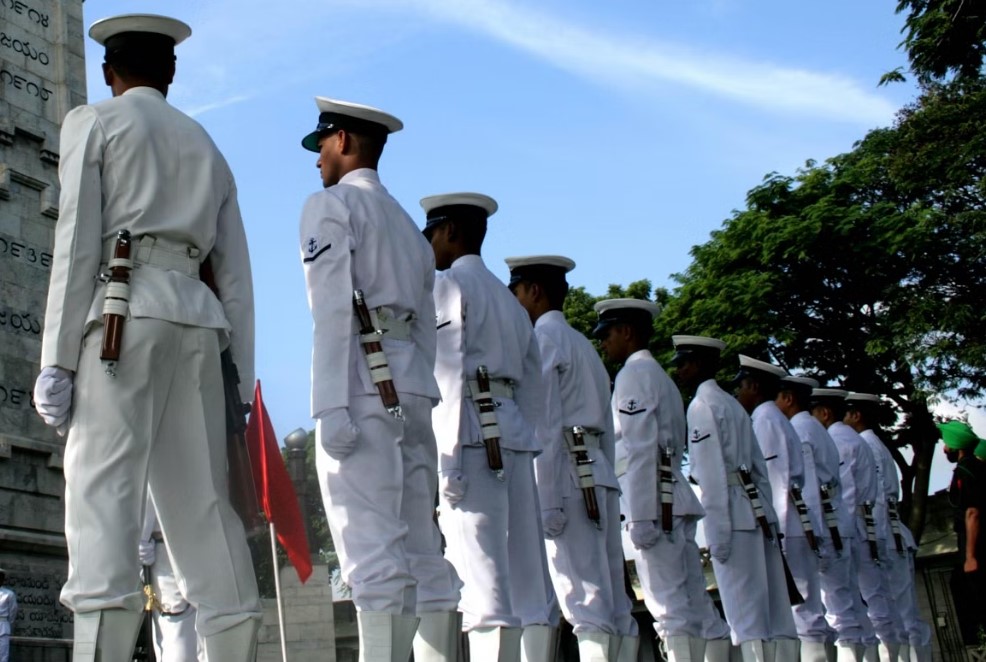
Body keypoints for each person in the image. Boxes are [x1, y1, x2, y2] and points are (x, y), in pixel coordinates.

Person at [31, 14, 260, 660]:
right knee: (205, 517)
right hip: (197, 328)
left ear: (109, 73)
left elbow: (76, 242)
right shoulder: (206, 146)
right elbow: (236, 280)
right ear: (171, 73)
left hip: (119, 323)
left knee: (102, 506)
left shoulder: (94, 122)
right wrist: (235, 376)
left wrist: (55, 361)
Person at [298, 98, 462, 662]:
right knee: (420, 547)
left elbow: (330, 311)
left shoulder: (331, 206)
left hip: (362, 386)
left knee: (368, 549)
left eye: (320, 145)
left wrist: (329, 405)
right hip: (412, 388)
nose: (317, 158)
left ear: (342, 140)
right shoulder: (408, 228)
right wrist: (418, 389)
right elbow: (424, 330)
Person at [425, 194, 554, 662]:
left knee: (480, 585)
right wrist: (528, 437)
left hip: (473, 439)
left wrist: (448, 462)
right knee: (524, 581)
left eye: (433, 233)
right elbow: (535, 386)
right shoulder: (510, 300)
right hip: (514, 437)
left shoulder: (448, 287)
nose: (430, 244)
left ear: (452, 232)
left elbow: (448, 372)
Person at [506, 261, 637, 662]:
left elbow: (544, 424)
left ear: (533, 291)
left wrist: (546, 501)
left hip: (566, 474)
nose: (514, 302)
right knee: (611, 595)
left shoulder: (544, 340)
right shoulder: (582, 344)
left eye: (517, 292)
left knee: (581, 594)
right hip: (597, 473)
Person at [594, 301, 730, 662]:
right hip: (673, 497)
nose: (604, 343)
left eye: (608, 334)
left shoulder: (633, 376)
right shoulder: (661, 378)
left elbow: (638, 448)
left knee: (668, 607)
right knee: (696, 604)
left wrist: (638, 515)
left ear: (627, 331)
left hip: (654, 503)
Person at [670, 336, 798, 661]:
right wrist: (767, 515)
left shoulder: (702, 406)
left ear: (698, 364)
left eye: (684, 364)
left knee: (745, 618)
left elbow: (711, 476)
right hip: (755, 513)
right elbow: (760, 472)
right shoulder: (733, 405)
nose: (680, 371)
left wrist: (717, 534)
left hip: (731, 515)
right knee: (772, 615)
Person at [735, 357, 828, 662]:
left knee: (802, 610)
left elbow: (775, 478)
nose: (739, 393)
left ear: (756, 386)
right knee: (806, 608)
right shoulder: (776, 418)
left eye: (742, 385)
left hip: (787, 521)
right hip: (797, 519)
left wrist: (774, 529)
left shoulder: (765, 419)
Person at [777, 376, 868, 661]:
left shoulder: (800, 429)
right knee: (846, 606)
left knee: (825, 610)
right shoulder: (816, 428)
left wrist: (810, 534)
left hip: (822, 527)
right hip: (836, 523)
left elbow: (808, 490)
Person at [811, 389, 899, 661]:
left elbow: (845, 492)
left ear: (825, 413)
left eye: (814, 412)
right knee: (867, 604)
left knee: (845, 604)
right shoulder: (859, 440)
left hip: (852, 527)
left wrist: (836, 534)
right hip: (866, 525)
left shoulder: (838, 439)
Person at [845, 393, 932, 661]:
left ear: (857, 415)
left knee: (893, 610)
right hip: (892, 532)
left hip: (885, 535)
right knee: (902, 611)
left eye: (846, 414)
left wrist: (874, 542)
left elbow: (877, 499)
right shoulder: (875, 444)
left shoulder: (865, 445)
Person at [139, 497, 205, 661]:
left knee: (179, 630)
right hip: (172, 545)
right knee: (178, 628)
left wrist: (139, 539)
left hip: (174, 547)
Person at [940, 419, 986, 646]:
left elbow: (972, 513)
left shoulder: (965, 470)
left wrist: (970, 556)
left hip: (977, 548)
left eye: (946, 443)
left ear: (954, 446)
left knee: (970, 596)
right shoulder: (979, 467)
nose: (944, 448)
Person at [0, 568, 16, 662]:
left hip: (3, 626)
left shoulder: (9, 594)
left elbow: (13, 611)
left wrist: (6, 623)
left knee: (3, 655)